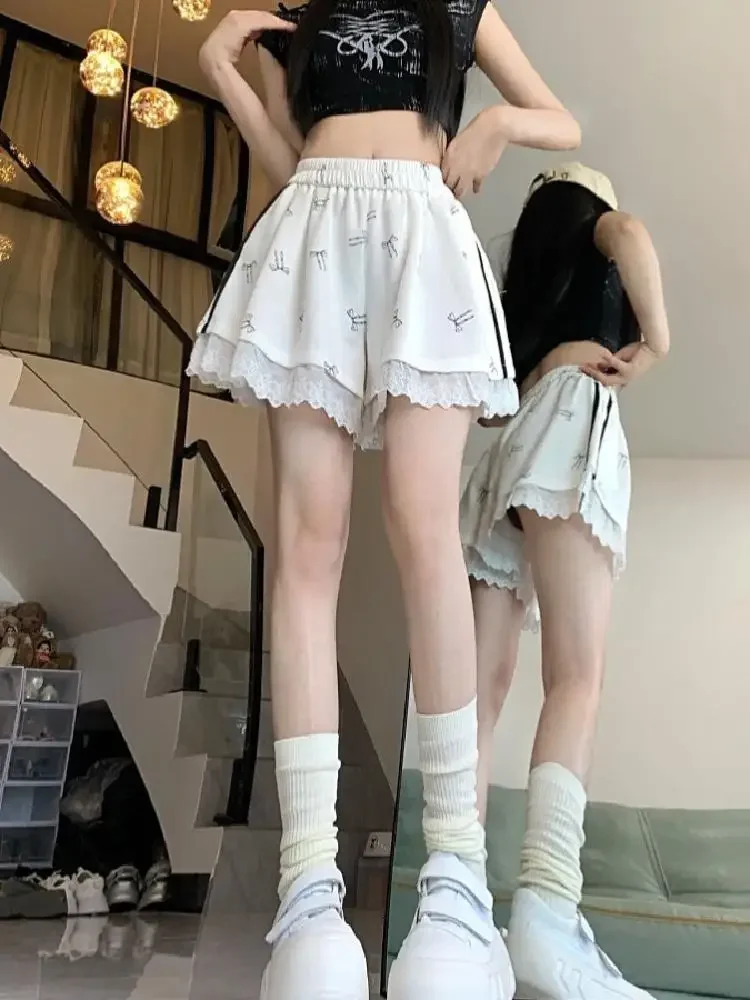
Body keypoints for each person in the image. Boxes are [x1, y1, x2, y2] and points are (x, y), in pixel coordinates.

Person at [190, 4, 580, 998]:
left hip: (421, 231)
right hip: (312, 227)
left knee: (425, 533)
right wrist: (227, 72)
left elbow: (560, 118)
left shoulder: (461, 5)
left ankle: (455, 880)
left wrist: (498, 123)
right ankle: (308, 894)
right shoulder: (296, 19)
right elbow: (289, 162)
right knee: (305, 549)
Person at [461, 163, 670, 1000]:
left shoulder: (526, 289)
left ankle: (458, 909)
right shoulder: (600, 227)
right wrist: (657, 343)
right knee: (576, 678)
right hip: (570, 424)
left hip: (509, 452)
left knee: (477, 697)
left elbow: (490, 401)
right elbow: (631, 233)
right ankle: (547, 913)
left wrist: (545, 362)